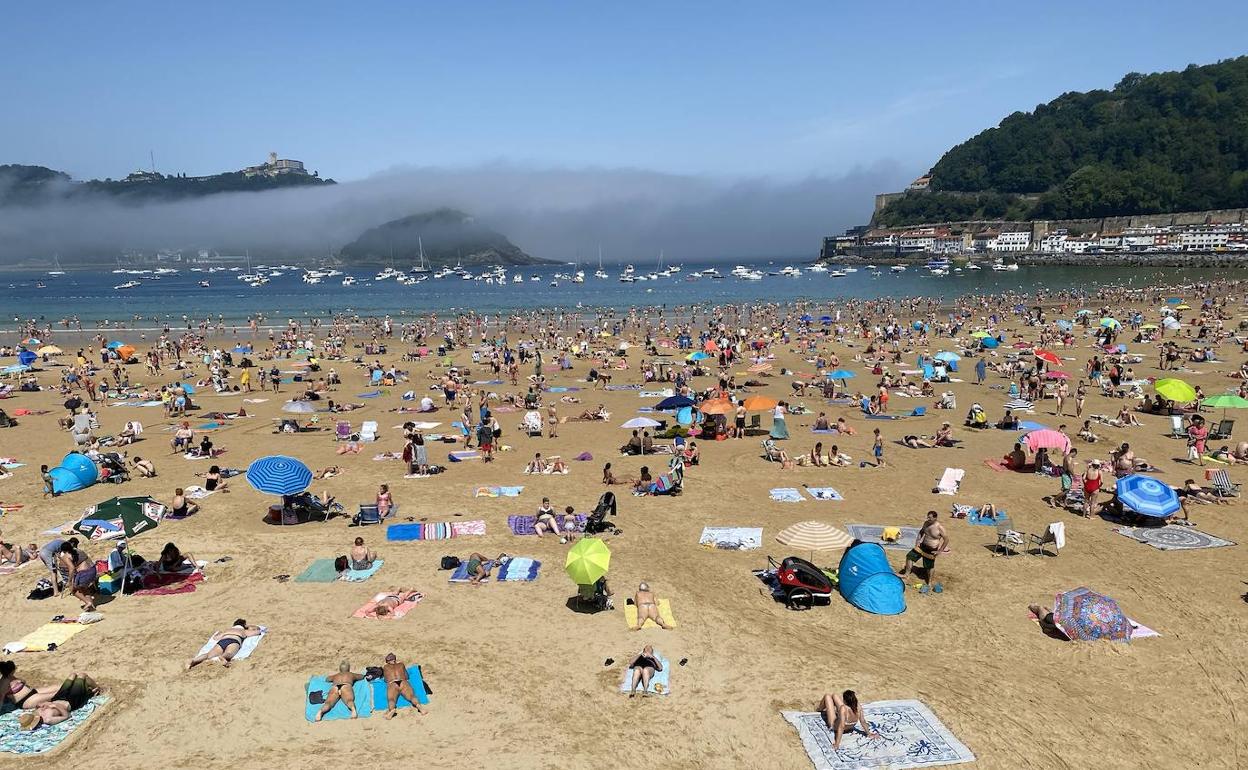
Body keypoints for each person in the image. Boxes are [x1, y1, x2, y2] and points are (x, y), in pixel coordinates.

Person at [16, 674, 100, 731]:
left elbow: (38, 705)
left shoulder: (36, 713)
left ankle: (89, 690)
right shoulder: (48, 719)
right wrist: (55, 706)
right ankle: (97, 688)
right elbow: (67, 716)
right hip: (70, 702)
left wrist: (42, 704)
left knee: (72, 675)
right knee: (82, 676)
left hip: (58, 697)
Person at [897, 511, 946, 589]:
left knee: (929, 566)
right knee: (910, 556)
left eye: (930, 518)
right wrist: (918, 541)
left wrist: (940, 550)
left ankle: (929, 583)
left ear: (935, 518)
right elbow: (921, 531)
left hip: (931, 549)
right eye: (928, 517)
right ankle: (906, 574)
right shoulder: (926, 523)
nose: (928, 519)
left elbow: (946, 539)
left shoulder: (939, 528)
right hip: (922, 546)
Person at [188, 619, 262, 668]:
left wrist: (221, 634)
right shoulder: (243, 631)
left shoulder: (227, 630)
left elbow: (215, 638)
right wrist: (247, 626)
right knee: (229, 653)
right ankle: (223, 657)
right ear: (243, 626)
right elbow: (258, 631)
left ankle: (193, 660)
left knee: (208, 655)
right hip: (234, 640)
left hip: (222, 641)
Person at [382, 653, 428, 719]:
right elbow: (407, 676)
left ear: (388, 661)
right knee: (412, 696)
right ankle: (419, 707)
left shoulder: (385, 667)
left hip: (393, 683)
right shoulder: (401, 664)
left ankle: (392, 710)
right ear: (394, 659)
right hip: (403, 682)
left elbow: (386, 680)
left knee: (391, 699)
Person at [57, 540, 96, 611]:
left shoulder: (66, 556)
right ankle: (91, 607)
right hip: (93, 570)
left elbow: (71, 568)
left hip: (84, 574)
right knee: (84, 589)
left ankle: (88, 602)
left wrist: (69, 581)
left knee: (73, 590)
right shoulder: (78, 551)